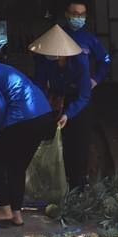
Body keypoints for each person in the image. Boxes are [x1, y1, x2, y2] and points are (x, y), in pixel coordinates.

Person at [0, 50, 56, 225]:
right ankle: (16, 214)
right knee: (17, 166)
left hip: (24, 118)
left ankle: (4, 209)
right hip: (43, 115)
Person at [31, 25, 93, 188]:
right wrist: (44, 108)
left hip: (77, 104)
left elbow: (84, 95)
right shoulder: (44, 61)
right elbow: (40, 85)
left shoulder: (80, 62)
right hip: (54, 99)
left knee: (78, 147)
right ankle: (55, 185)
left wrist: (68, 114)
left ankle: (78, 187)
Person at [62, 0, 111, 88]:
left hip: (82, 89)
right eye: (76, 14)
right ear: (67, 14)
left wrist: (95, 80)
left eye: (82, 15)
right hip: (60, 91)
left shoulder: (90, 39)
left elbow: (105, 60)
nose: (79, 18)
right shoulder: (58, 35)